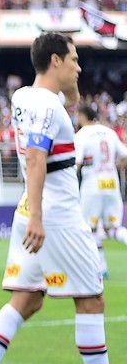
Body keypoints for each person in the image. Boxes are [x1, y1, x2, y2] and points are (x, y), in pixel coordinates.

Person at [0, 33, 127, 364]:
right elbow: (36, 158)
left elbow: (58, 114)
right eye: (73, 60)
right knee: (91, 299)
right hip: (56, 216)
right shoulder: (48, 108)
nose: (78, 67)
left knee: (28, 299)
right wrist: (39, 217)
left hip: (31, 211)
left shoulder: (25, 97)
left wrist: (71, 94)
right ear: (55, 61)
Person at [74, 104, 127, 253]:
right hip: (111, 183)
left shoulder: (82, 135)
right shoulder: (109, 132)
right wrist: (113, 166)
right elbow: (125, 155)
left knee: (88, 228)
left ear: (82, 116)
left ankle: (98, 268)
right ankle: (102, 268)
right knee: (112, 228)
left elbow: (76, 163)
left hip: (92, 184)